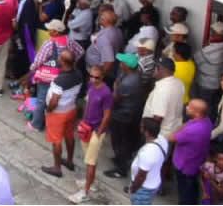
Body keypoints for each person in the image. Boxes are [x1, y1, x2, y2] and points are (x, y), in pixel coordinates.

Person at [70, 64, 113, 204]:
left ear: (102, 77)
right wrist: (82, 122)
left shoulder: (106, 93)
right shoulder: (91, 86)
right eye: (92, 76)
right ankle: (90, 183)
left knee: (90, 162)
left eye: (97, 77)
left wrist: (99, 132)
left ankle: (85, 192)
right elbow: (88, 104)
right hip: (86, 128)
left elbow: (107, 115)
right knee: (89, 160)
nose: (93, 79)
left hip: (95, 132)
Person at [41, 50, 83, 178]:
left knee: (56, 141)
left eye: (60, 58)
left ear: (64, 62)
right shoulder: (79, 74)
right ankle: (69, 161)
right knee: (69, 136)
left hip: (58, 114)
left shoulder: (59, 81)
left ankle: (57, 168)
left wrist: (48, 110)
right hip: (71, 110)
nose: (58, 59)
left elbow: (54, 101)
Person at [106, 53, 148, 180]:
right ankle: (122, 158)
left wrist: (115, 88)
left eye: (122, 62)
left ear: (127, 66)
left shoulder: (128, 83)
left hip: (123, 115)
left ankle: (121, 168)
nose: (120, 64)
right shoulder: (134, 75)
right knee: (126, 140)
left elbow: (115, 98)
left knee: (119, 141)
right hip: (132, 113)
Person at [171, 98, 214, 204]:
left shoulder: (192, 130)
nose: (187, 107)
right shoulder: (206, 121)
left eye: (190, 107)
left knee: (185, 195)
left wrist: (179, 128)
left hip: (184, 166)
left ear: (197, 112)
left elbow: (172, 137)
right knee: (192, 192)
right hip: (195, 164)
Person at [143, 57, 186, 139]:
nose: (153, 70)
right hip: (173, 128)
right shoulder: (179, 83)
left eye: (155, 67)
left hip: (160, 134)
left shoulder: (162, 90)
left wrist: (149, 134)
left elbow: (157, 117)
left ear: (161, 70)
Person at [129, 119, 169, 204]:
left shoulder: (148, 152)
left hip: (143, 188)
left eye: (142, 127)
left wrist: (134, 189)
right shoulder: (162, 140)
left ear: (147, 132)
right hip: (153, 183)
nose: (140, 129)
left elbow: (141, 176)